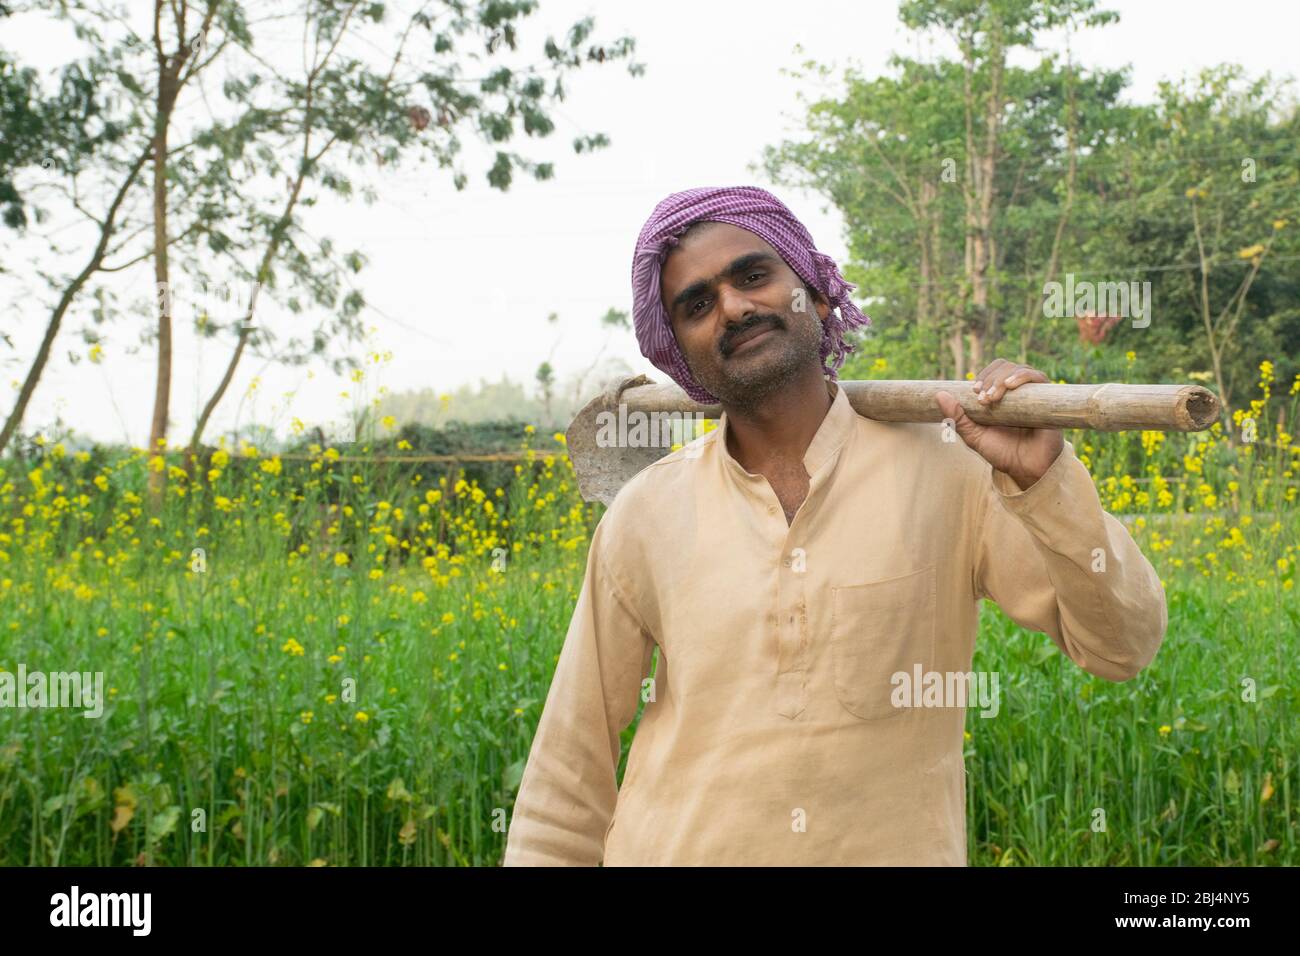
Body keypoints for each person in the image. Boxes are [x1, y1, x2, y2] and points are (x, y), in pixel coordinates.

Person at [502, 185, 1167, 866]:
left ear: (817, 295)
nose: (733, 307)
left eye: (754, 275)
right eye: (697, 305)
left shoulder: (954, 475)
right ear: (681, 354)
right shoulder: (646, 514)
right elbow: (568, 772)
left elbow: (1122, 646)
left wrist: (1044, 478)